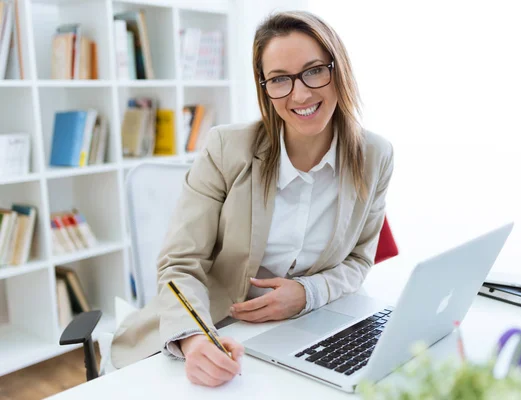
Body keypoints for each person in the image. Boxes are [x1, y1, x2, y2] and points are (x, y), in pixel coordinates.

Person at [110, 10, 394, 388]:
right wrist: (195, 340)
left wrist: (306, 294)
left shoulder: (375, 155)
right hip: (216, 327)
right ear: (265, 88)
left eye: (314, 70)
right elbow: (179, 263)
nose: (301, 93)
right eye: (279, 80)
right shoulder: (227, 148)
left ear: (337, 69)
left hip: (307, 329)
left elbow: (360, 259)